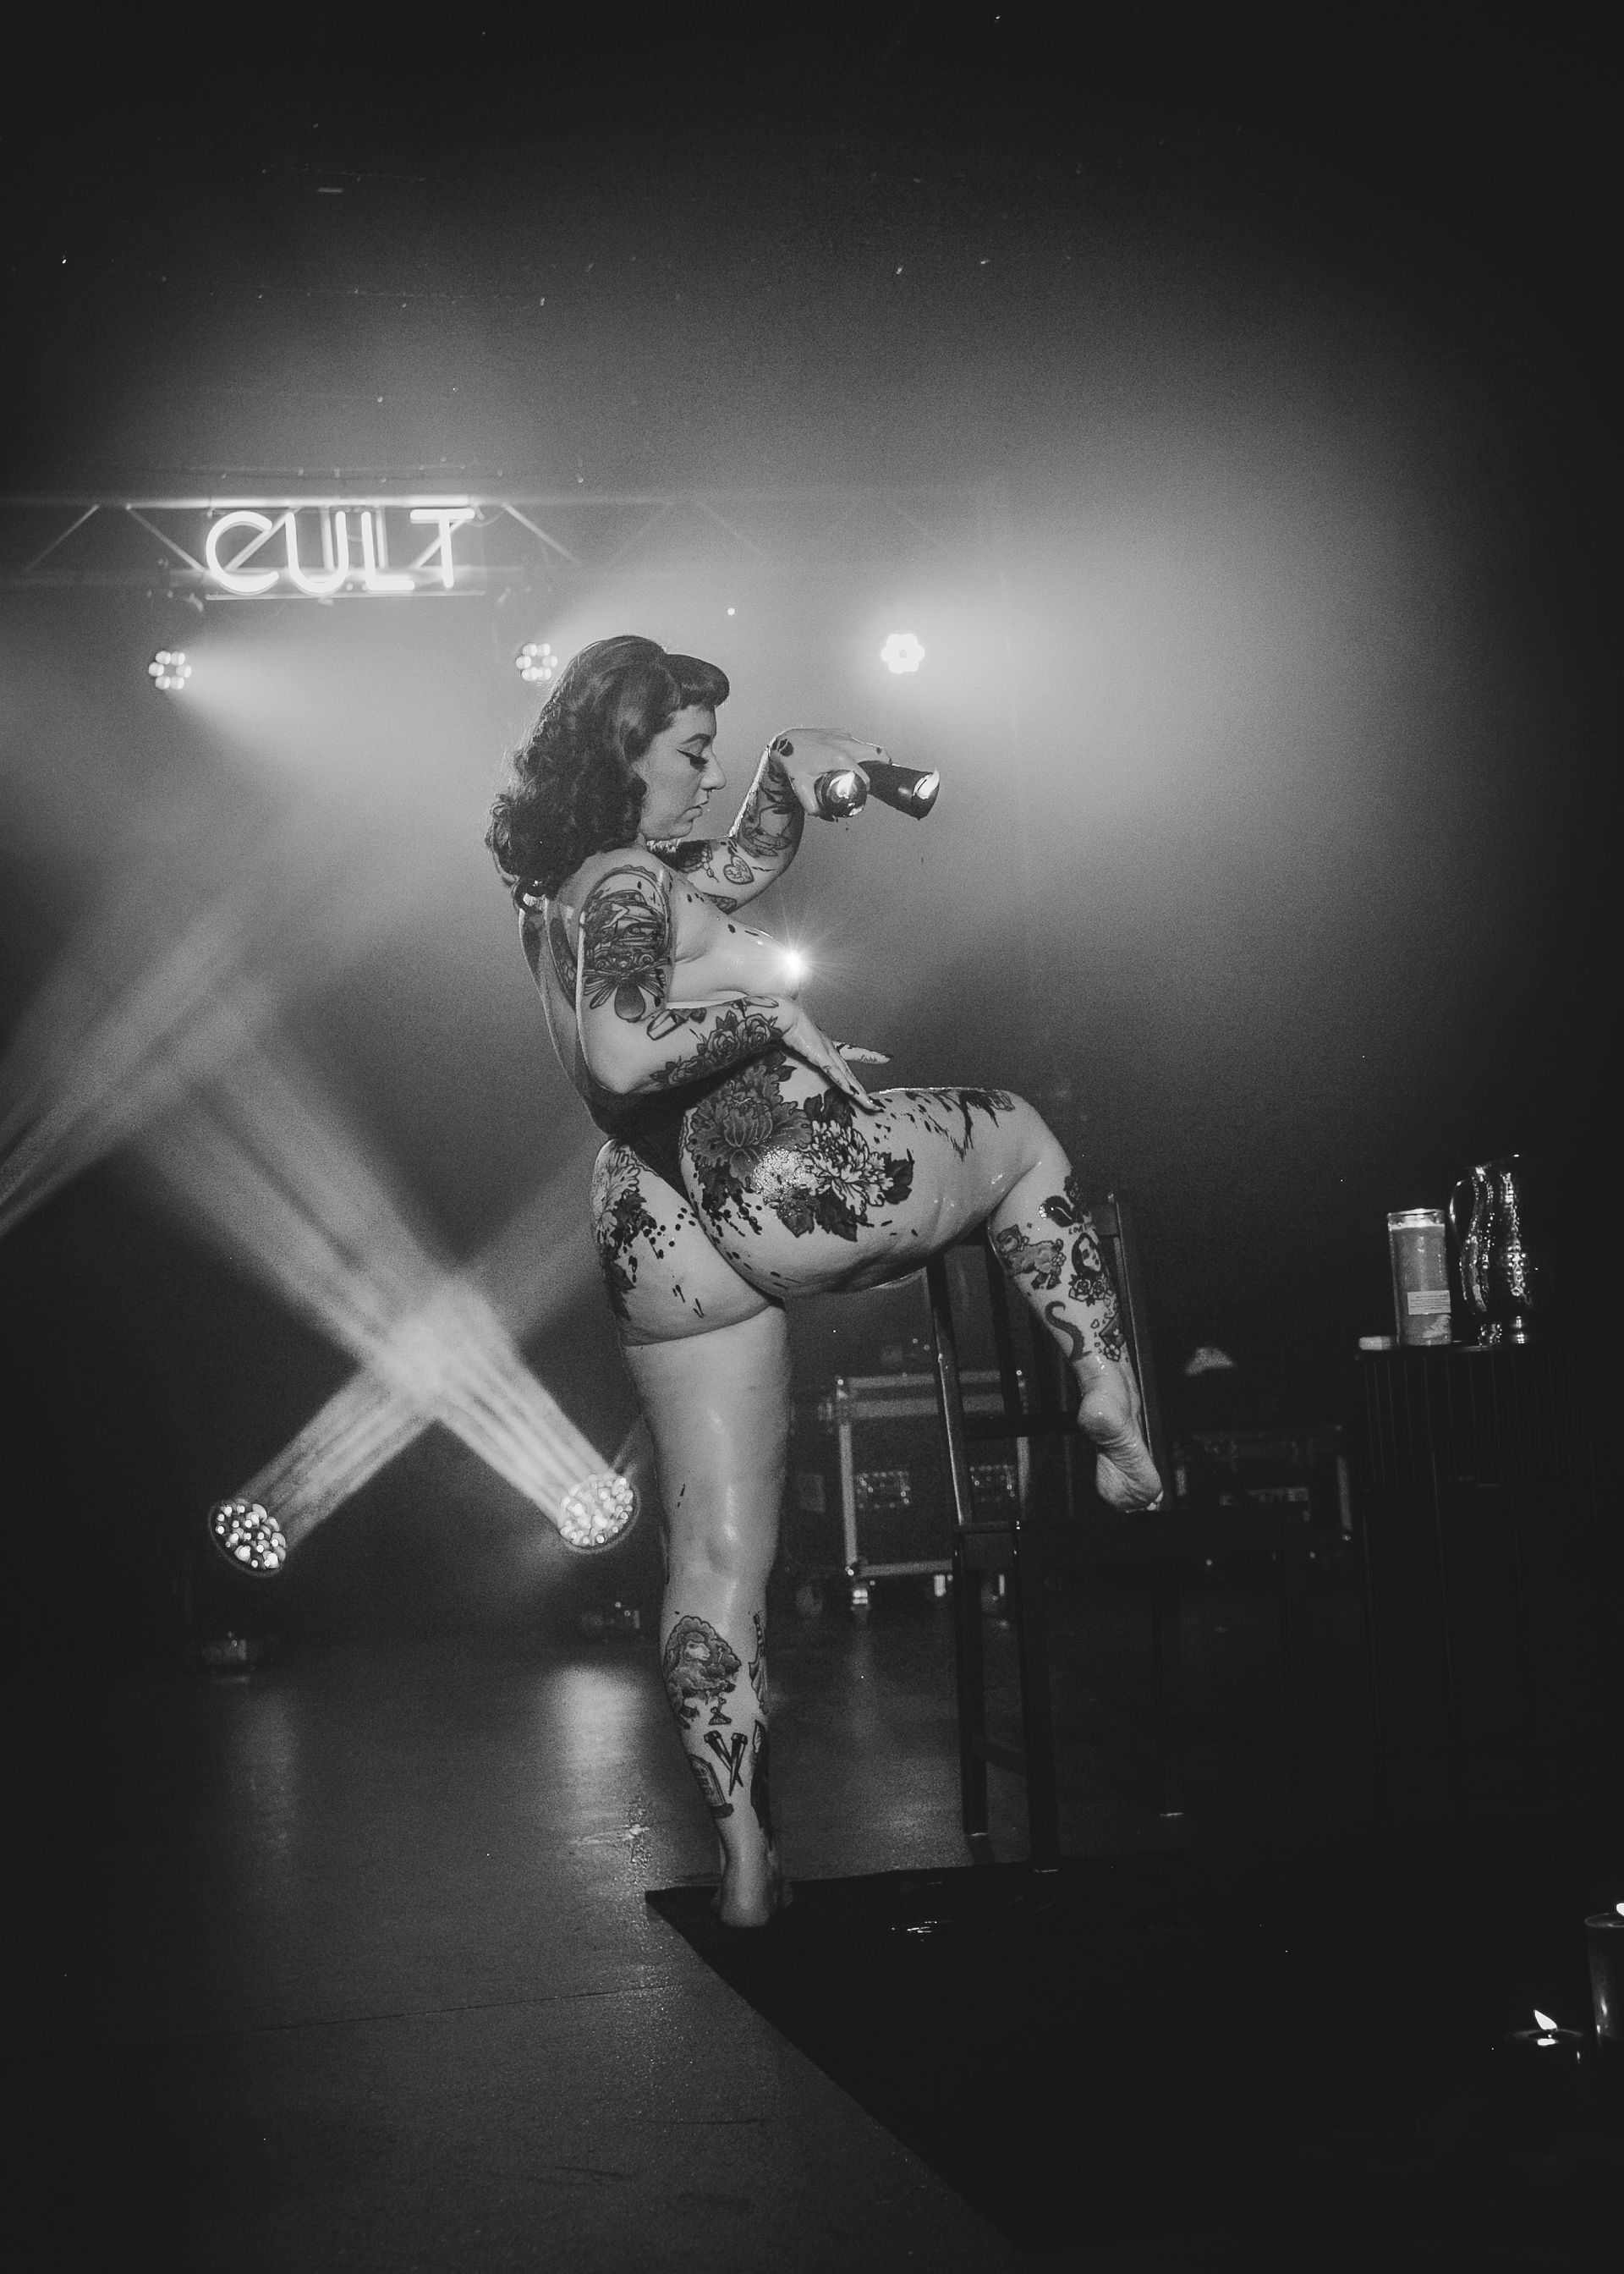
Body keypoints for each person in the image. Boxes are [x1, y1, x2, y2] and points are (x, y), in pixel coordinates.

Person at [487, 634, 1161, 1926]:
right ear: (624, 749)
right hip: (766, 1172)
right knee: (1018, 1135)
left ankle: (747, 1858)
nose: (707, 770)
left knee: (717, 1557)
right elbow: (630, 1055)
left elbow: (727, 878)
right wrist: (773, 1021)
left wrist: (795, 775)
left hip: (650, 1227)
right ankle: (1109, 1395)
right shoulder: (628, 878)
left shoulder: (567, 888)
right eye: (690, 750)